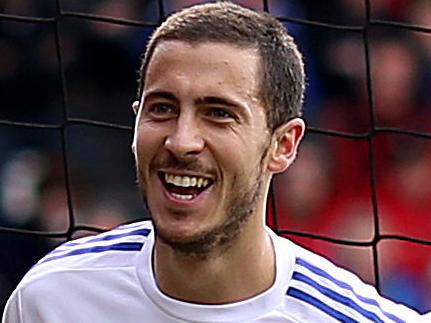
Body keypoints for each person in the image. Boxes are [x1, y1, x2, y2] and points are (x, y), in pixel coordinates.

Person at [2, 2, 428, 322]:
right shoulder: (51, 298)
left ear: (284, 145)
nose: (181, 141)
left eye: (219, 113)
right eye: (162, 109)